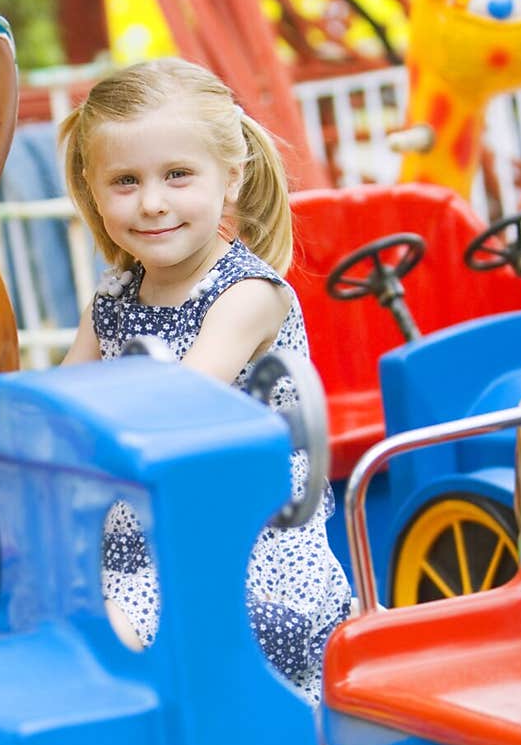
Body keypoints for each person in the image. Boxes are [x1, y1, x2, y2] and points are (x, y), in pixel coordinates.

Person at [58, 57, 351, 706]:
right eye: (126, 181)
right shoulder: (111, 297)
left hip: (245, 554)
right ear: (93, 189)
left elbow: (179, 409)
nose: (153, 201)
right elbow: (62, 404)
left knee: (108, 653)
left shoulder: (245, 295)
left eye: (177, 175)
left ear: (231, 178)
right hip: (141, 543)